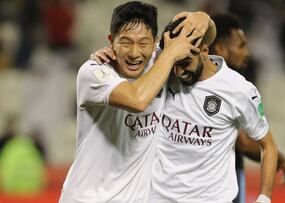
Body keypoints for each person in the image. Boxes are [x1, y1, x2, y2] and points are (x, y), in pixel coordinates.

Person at [59, 1, 213, 202]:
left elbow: (207, 37)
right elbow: (137, 100)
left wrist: (204, 18)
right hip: (87, 198)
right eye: (125, 42)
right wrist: (169, 55)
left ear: (155, 42)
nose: (134, 53)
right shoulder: (94, 71)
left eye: (143, 43)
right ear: (111, 41)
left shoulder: (159, 61)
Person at [148, 17, 278, 203]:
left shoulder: (238, 89)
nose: (178, 72)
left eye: (185, 62)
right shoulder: (163, 71)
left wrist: (264, 198)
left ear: (204, 51)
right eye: (174, 63)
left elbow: (268, 146)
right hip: (158, 198)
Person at [209, 14, 285, 203]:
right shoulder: (226, 89)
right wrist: (280, 159)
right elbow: (244, 143)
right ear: (220, 48)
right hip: (220, 188)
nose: (247, 52)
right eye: (241, 45)